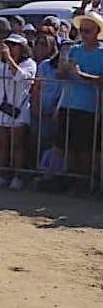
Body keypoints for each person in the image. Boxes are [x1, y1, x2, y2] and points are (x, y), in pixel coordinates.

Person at [55, 10, 103, 188]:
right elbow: (61, 76)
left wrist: (80, 74)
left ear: (97, 31)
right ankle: (73, 181)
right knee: (67, 147)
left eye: (87, 31)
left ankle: (85, 183)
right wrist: (63, 69)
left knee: (86, 149)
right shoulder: (73, 50)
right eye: (81, 30)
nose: (83, 34)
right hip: (68, 104)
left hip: (90, 107)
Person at [0, 33, 36, 189]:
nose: (10, 48)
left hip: (18, 109)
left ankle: (18, 177)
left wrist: (9, 58)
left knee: (17, 144)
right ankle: (1, 175)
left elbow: (21, 77)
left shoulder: (29, 64)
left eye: (14, 45)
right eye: (8, 45)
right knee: (1, 145)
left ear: (22, 47)